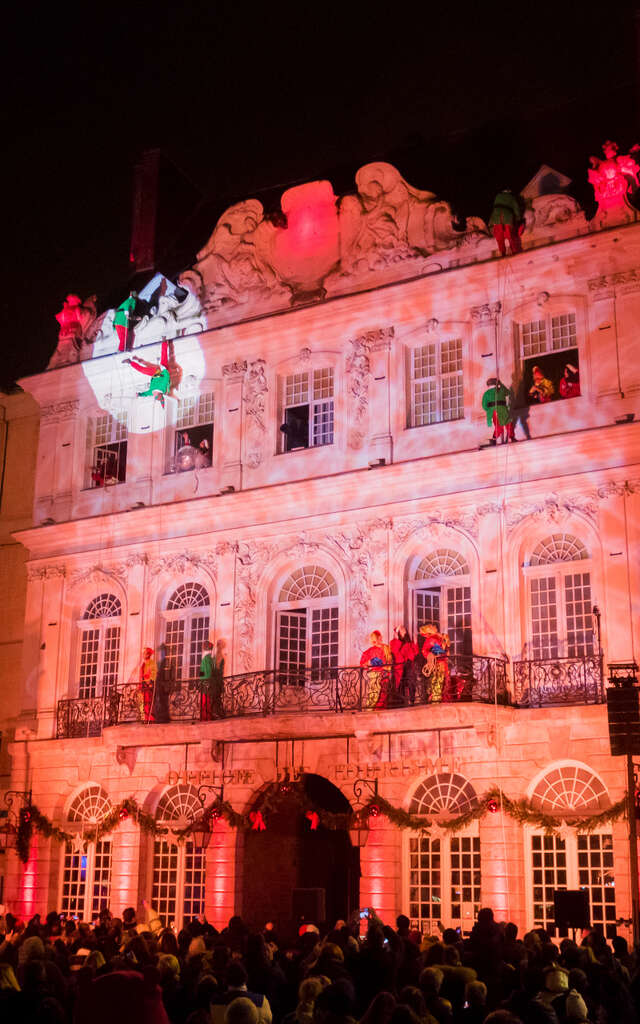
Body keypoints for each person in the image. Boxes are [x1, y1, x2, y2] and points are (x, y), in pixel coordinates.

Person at [123, 339, 171, 407]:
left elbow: (146, 394)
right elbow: (167, 378)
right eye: (155, 395)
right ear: (158, 393)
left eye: (154, 395)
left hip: (157, 375)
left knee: (163, 358)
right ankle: (130, 362)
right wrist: (164, 370)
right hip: (160, 373)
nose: (153, 394)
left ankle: (164, 341)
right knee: (143, 370)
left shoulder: (152, 392)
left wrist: (139, 394)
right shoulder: (162, 387)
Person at [419, 624, 450, 703]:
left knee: (443, 683)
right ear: (429, 630)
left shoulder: (440, 637)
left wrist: (446, 648)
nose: (435, 626)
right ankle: (435, 702)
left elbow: (446, 650)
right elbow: (424, 651)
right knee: (437, 683)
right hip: (437, 665)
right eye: (432, 626)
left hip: (443, 663)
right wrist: (431, 655)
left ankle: (440, 701)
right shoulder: (431, 639)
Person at [360, 631, 391, 708]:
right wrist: (369, 663)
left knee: (383, 693)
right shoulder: (370, 650)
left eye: (379, 637)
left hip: (384, 674)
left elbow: (389, 660)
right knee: (374, 693)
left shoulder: (386, 648)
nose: (380, 639)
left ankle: (380, 708)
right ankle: (373, 708)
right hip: (375, 675)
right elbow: (363, 663)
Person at [389, 627, 420, 704]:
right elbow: (395, 651)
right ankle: (400, 702)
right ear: (398, 632)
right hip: (400, 665)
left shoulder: (408, 642)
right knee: (400, 683)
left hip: (409, 664)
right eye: (402, 629)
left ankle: (411, 700)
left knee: (411, 681)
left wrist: (415, 643)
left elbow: (415, 652)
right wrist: (396, 639)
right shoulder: (393, 642)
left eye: (404, 629)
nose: (404, 630)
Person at [481, 378, 516, 444]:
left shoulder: (486, 394)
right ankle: (512, 437)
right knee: (508, 423)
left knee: (498, 426)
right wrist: (501, 384)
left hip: (494, 411)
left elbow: (484, 406)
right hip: (503, 410)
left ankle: (494, 439)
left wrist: (489, 410)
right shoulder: (501, 390)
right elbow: (508, 392)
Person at [488, 190, 522, 257]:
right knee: (510, 235)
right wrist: (518, 218)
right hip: (507, 217)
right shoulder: (511, 197)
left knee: (499, 237)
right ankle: (514, 251)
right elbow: (516, 209)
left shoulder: (497, 196)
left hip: (496, 217)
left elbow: (495, 207)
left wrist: (491, 221)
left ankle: (503, 253)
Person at [139, 647, 157, 724]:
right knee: (142, 702)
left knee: (148, 702)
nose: (143, 655)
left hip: (148, 685)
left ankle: (150, 718)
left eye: (145, 653)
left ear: (149, 654)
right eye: (143, 653)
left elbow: (154, 672)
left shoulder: (152, 663)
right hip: (142, 685)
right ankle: (143, 718)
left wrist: (150, 681)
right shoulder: (143, 664)